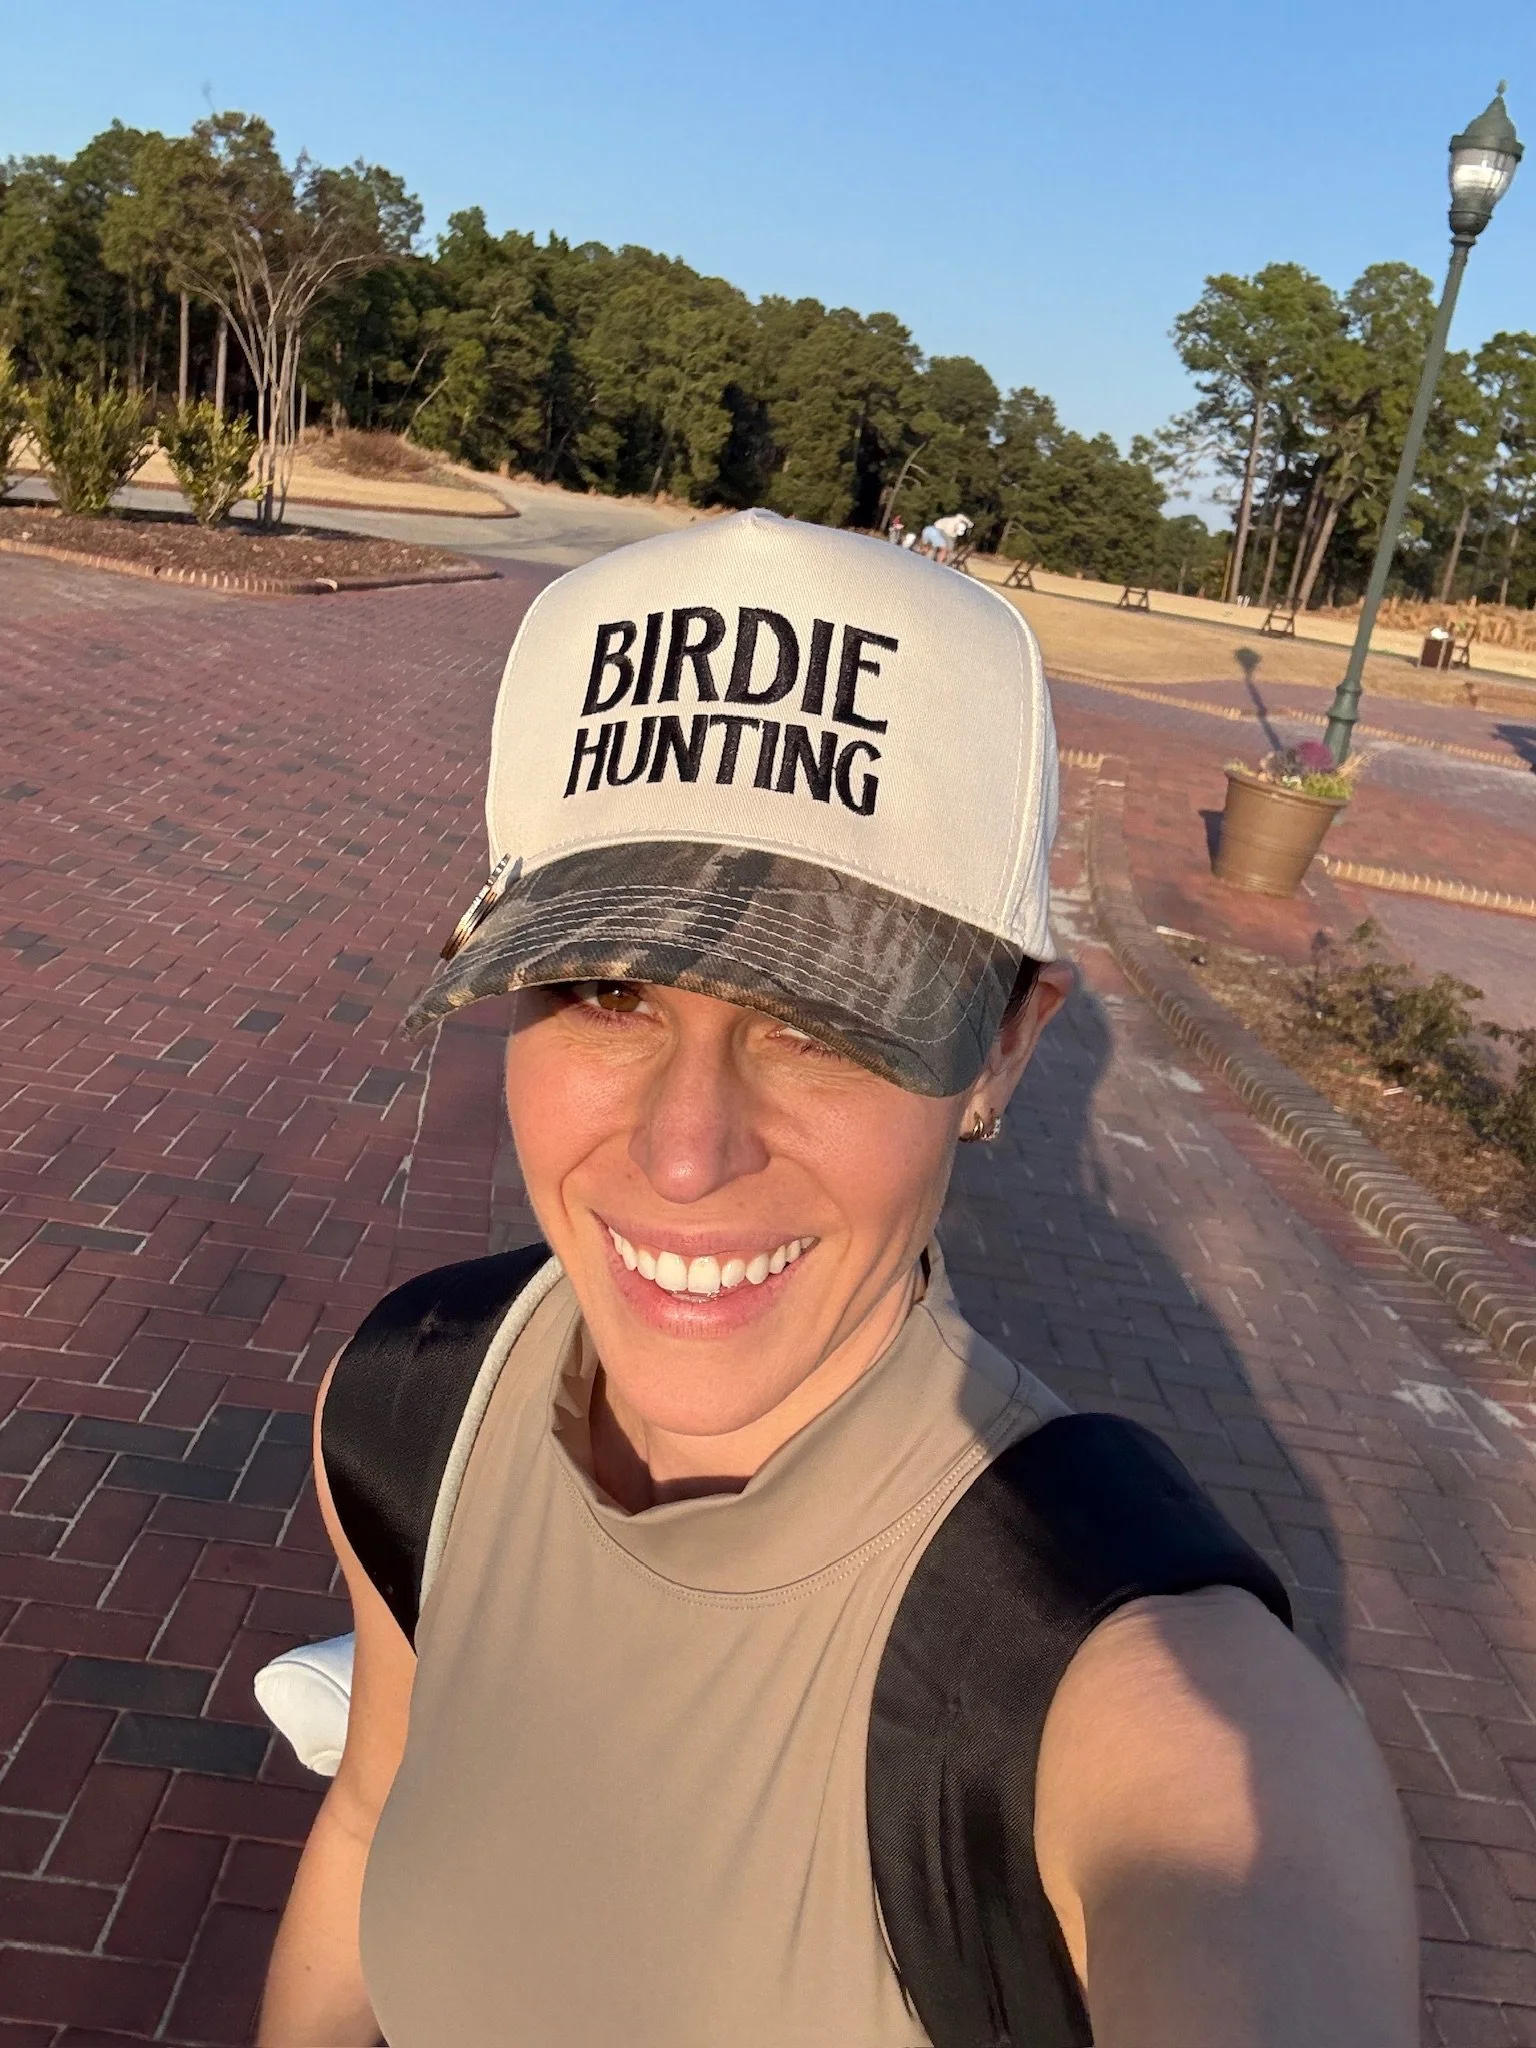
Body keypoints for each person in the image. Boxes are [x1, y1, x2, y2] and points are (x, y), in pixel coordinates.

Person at [259, 510, 1416, 2048]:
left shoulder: (1141, 1693)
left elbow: (1240, 1885)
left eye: (822, 1021)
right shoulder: (415, 1410)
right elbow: (368, 1811)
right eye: (604, 989)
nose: (685, 1153)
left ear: (1004, 1048)